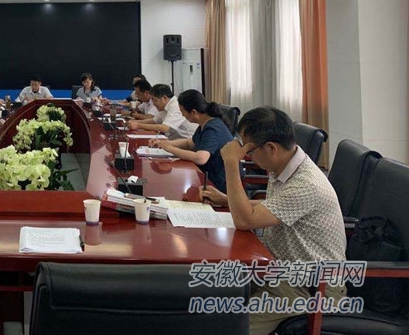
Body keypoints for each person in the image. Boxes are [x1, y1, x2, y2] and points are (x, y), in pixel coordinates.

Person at [199, 107, 346, 335]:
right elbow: (274, 206)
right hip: (276, 269)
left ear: (270, 148)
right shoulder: (285, 166)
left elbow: (244, 220)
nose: (246, 156)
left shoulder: (306, 185)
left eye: (249, 150)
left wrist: (231, 163)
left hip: (310, 287)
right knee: (205, 293)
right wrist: (227, 199)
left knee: (229, 328)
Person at [149, 90, 239, 193]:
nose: (182, 115)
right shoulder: (204, 123)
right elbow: (190, 143)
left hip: (220, 183)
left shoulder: (212, 128)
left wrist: (170, 149)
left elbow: (200, 158)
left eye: (183, 112)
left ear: (193, 112)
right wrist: (166, 143)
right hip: (206, 175)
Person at [127, 84, 197, 139]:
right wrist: (135, 122)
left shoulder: (175, 106)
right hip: (173, 140)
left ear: (164, 98)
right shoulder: (165, 106)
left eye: (154, 100)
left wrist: (138, 125)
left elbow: (164, 128)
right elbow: (154, 121)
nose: (153, 103)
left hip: (186, 143)